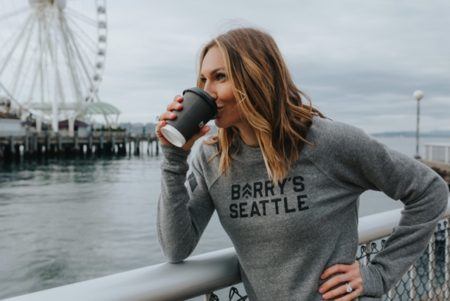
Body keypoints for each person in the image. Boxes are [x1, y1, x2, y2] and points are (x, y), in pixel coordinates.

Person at [155, 27, 449, 301]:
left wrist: (380, 272)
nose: (208, 92)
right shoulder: (212, 158)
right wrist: (174, 155)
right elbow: (176, 247)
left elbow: (429, 191)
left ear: (257, 77)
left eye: (220, 77)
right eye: (203, 80)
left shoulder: (327, 142)